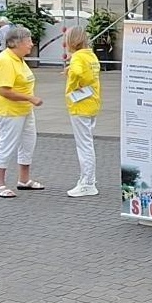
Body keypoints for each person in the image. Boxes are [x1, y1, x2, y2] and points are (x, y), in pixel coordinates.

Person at [0, 26, 44, 198]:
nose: (31, 44)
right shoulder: (6, 60)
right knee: (7, 144)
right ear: (16, 43)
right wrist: (30, 98)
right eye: (28, 41)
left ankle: (24, 179)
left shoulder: (18, 58)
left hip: (24, 110)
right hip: (10, 111)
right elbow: (4, 90)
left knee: (28, 142)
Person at [63, 27, 102, 197]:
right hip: (91, 102)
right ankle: (87, 179)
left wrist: (72, 77)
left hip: (80, 104)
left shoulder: (77, 57)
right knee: (87, 143)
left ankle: (88, 182)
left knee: (84, 145)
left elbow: (78, 72)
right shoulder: (90, 55)